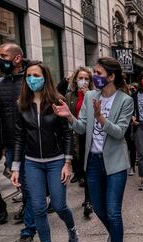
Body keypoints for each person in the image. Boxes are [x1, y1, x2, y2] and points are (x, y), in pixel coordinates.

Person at [53, 57, 134, 242]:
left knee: (113, 211)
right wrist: (69, 116)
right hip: (94, 162)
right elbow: (81, 127)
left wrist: (101, 118)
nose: (94, 77)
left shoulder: (125, 100)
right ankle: (114, 233)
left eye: (98, 73)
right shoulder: (90, 96)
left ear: (111, 76)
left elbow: (119, 133)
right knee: (98, 208)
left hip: (115, 163)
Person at [10, 61, 78, 242]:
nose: (32, 79)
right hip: (32, 164)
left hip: (56, 161)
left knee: (59, 205)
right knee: (38, 207)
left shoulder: (56, 101)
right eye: (28, 75)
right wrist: (15, 167)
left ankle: (72, 228)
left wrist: (67, 163)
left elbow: (67, 134)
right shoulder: (21, 103)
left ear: (45, 77)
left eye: (36, 75)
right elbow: (19, 138)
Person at [0, 43, 32, 235]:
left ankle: (33, 208)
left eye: (4, 56)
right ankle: (29, 224)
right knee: (23, 182)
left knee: (33, 183)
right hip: (11, 143)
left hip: (34, 142)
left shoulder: (32, 80)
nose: (0, 60)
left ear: (17, 59)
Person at [65, 66, 94, 217]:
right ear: (75, 80)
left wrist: (88, 95)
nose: (83, 81)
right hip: (75, 137)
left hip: (89, 137)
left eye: (86, 78)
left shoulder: (94, 95)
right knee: (80, 170)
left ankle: (88, 200)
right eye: (80, 78)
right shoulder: (69, 96)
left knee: (88, 169)